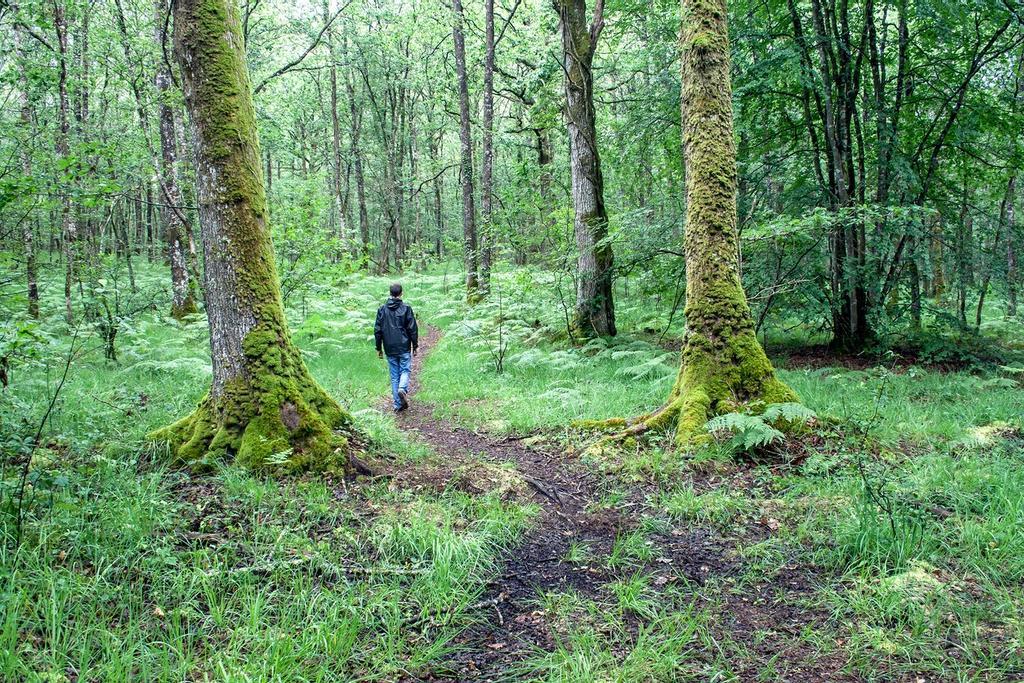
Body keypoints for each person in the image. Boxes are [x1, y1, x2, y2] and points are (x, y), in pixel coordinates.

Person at [374, 282, 419, 412]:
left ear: (390, 293)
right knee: (405, 370)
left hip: (389, 347)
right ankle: (402, 389)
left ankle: (397, 405)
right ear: (401, 293)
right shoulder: (406, 308)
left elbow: (378, 330)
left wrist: (379, 348)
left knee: (394, 376)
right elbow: (412, 329)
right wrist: (415, 345)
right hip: (404, 346)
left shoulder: (382, 309)